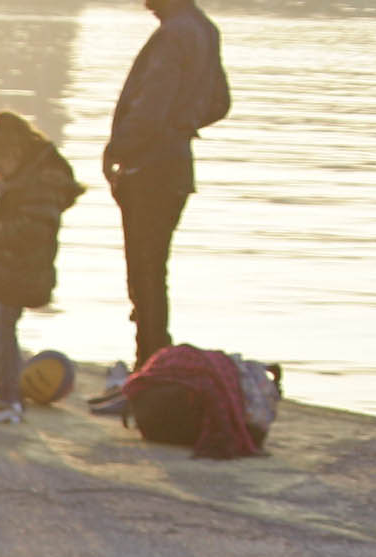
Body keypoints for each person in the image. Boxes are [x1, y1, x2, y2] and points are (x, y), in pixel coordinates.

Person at [105, 0, 229, 365]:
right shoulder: (204, 30)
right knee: (153, 270)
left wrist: (118, 149)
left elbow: (150, 109)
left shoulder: (174, 35)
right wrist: (183, 124)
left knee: (144, 275)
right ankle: (154, 365)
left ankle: (150, 367)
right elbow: (219, 103)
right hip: (176, 166)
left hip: (149, 170)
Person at [0, 111, 85, 423]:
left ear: (14, 151)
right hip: (7, 267)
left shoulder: (40, 183)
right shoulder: (23, 174)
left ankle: (9, 396)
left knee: (2, 329)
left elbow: (31, 231)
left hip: (22, 271)